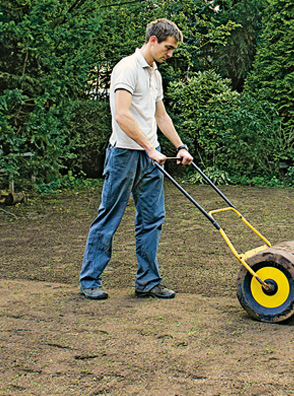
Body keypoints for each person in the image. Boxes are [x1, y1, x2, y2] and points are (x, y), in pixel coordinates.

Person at [79, 18, 193, 300]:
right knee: (110, 216)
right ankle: (90, 279)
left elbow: (161, 115)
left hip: (150, 157)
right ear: (153, 40)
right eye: (168, 48)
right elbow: (122, 115)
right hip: (124, 154)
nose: (170, 54)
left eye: (173, 50)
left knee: (152, 218)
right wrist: (148, 147)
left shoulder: (155, 74)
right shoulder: (127, 68)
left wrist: (179, 146)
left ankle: (148, 281)